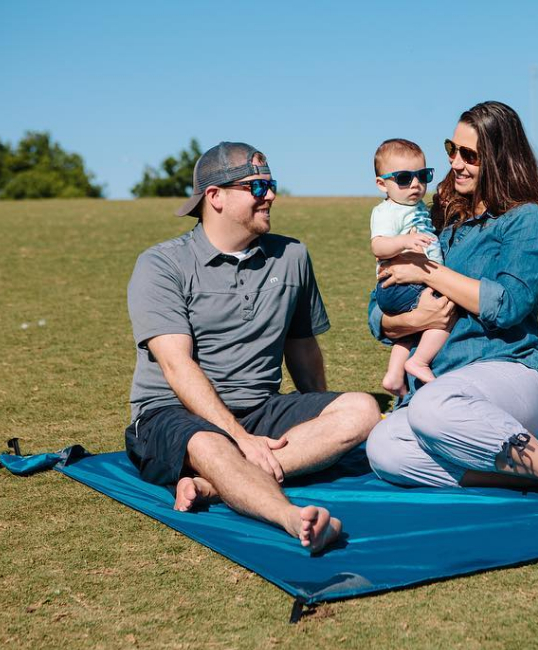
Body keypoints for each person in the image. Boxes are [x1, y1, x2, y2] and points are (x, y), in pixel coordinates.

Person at [125, 141, 380, 552]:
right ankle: (291, 518)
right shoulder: (161, 265)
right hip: (170, 413)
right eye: (257, 188)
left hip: (261, 407)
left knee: (363, 408)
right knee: (210, 444)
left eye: (271, 184)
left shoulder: (292, 255)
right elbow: (177, 368)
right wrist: (239, 437)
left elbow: (302, 346)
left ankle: (213, 485)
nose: (272, 196)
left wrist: (323, 422)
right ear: (215, 197)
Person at [365, 102, 538, 517]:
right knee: (383, 448)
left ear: (499, 159)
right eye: (452, 149)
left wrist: (427, 273)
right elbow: (378, 311)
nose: (455, 163)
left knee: (431, 408)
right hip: (443, 383)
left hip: (510, 372)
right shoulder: (439, 219)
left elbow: (506, 305)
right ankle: (531, 474)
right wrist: (413, 320)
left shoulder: (528, 221)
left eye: (469, 155)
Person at [369, 138, 450, 395]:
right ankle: (419, 361)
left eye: (422, 176)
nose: (415, 184)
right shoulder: (387, 212)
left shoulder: (413, 207)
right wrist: (404, 241)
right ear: (382, 184)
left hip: (409, 282)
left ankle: (394, 376)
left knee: (408, 332)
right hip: (402, 282)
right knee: (447, 309)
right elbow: (378, 247)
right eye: (403, 178)